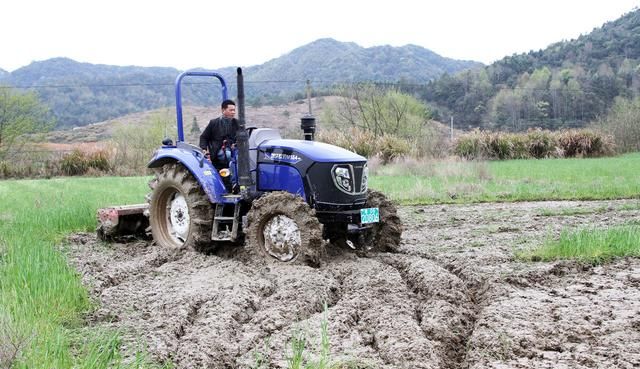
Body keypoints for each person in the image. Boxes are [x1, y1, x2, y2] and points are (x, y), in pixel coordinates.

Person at [199, 99, 239, 166]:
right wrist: (204, 148)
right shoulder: (214, 123)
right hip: (217, 152)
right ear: (223, 110)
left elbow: (243, 137)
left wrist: (236, 144)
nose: (233, 112)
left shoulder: (237, 123)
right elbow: (204, 137)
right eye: (231, 110)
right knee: (225, 154)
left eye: (234, 110)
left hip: (234, 151)